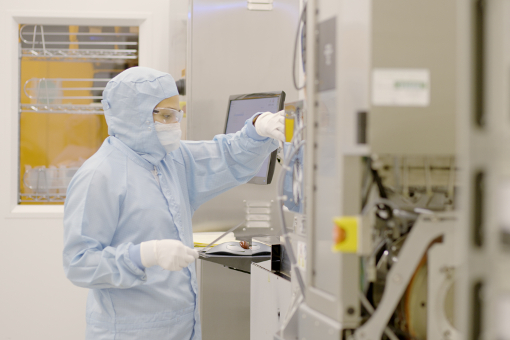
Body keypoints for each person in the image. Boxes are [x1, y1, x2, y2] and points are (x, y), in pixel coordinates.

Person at [62, 67, 285, 340]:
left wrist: (258, 128)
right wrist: (146, 254)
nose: (174, 125)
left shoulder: (172, 159)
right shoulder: (100, 175)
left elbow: (225, 156)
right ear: (134, 116)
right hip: (129, 332)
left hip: (182, 326)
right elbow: (80, 263)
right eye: (166, 116)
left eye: (177, 114)